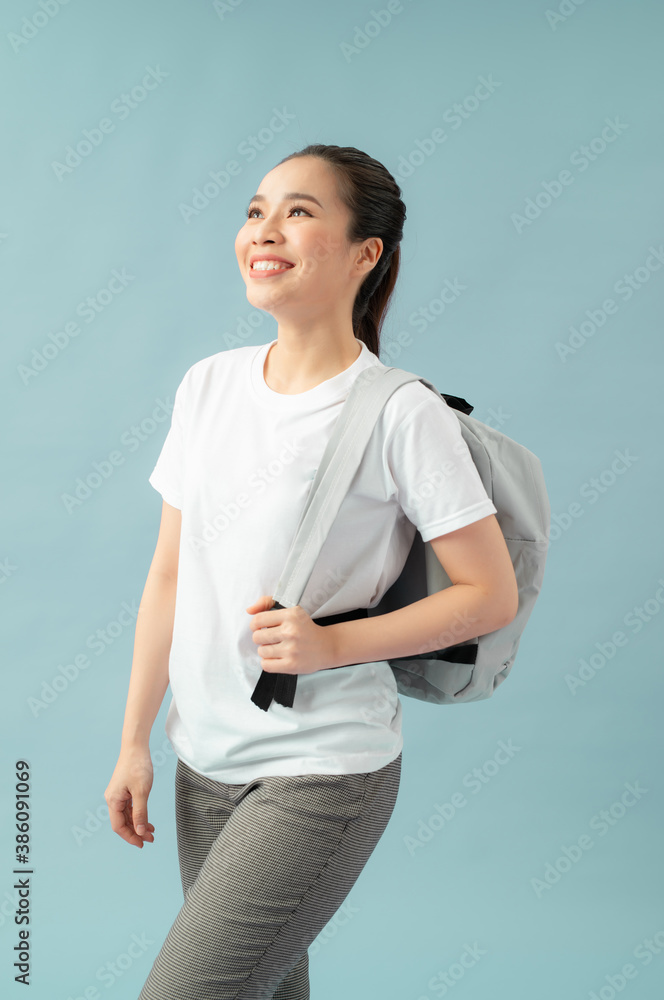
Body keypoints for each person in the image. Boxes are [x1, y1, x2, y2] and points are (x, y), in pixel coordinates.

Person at [104, 144, 518, 1000]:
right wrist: (133, 742)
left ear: (366, 253)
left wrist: (331, 647)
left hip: (323, 770)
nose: (265, 229)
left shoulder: (400, 413)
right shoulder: (207, 386)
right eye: (256, 210)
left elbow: (489, 595)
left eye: (299, 211)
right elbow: (168, 578)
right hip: (203, 762)